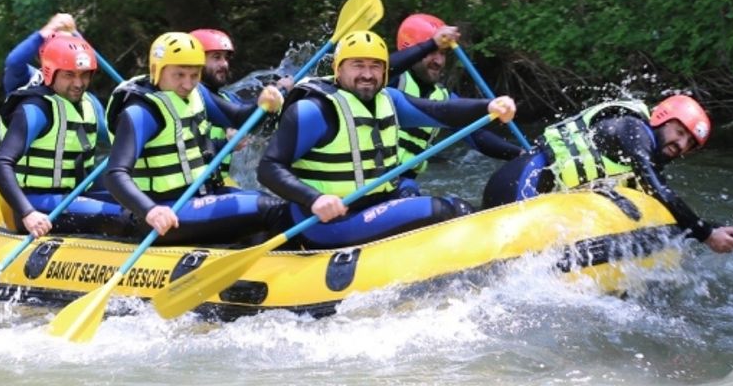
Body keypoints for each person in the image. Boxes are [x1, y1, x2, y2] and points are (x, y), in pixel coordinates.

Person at [258, 30, 517, 249]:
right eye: (358, 65)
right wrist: (313, 198)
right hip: (327, 223)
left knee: (412, 190)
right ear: (338, 69)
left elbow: (441, 112)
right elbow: (269, 168)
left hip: (374, 204)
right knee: (444, 210)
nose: (368, 74)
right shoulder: (313, 110)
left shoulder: (390, 99)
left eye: (375, 66)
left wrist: (489, 106)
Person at [482, 94, 733, 253]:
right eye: (679, 132)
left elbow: (666, 208)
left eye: (689, 143)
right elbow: (659, 190)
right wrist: (706, 235)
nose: (680, 145)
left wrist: (712, 226)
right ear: (661, 118)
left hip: (538, 201)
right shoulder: (632, 130)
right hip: (518, 183)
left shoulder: (639, 158)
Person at [103, 32, 290, 245]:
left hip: (202, 198)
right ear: (157, 71)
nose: (188, 84)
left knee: (276, 207)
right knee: (270, 208)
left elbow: (238, 118)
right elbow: (114, 174)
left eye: (194, 75)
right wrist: (151, 210)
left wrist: (264, 105)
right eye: (179, 75)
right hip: (166, 212)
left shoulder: (197, 93)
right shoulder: (141, 111)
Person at [0, 21, 129, 237]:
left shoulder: (90, 104)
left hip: (80, 190)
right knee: (126, 216)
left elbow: (121, 140)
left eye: (84, 74)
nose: (78, 83)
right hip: (38, 203)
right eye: (69, 75)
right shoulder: (36, 109)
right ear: (50, 72)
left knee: (143, 198)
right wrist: (28, 213)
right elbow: (0, 163)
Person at [389, 13, 524, 179]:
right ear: (411, 50)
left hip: (404, 183)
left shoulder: (443, 96)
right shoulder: (389, 82)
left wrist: (519, 154)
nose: (438, 61)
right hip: (373, 182)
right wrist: (431, 43)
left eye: (442, 53)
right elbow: (387, 67)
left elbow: (476, 134)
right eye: (432, 52)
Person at [189, 28, 295, 186]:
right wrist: (227, 143)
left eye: (226, 58)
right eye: (216, 57)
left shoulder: (226, 98)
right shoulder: (193, 93)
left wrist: (281, 95)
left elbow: (257, 120)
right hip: (189, 190)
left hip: (214, 184)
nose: (224, 64)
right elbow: (241, 119)